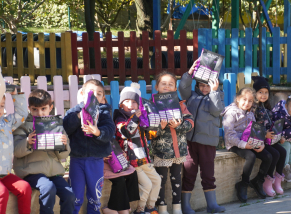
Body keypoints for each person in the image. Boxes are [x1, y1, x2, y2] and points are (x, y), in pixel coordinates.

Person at [13, 89, 74, 214]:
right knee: (48, 188)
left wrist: (63, 145)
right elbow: (16, 151)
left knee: (69, 195)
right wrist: (27, 142)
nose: (39, 113)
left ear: (50, 108)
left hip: (53, 172)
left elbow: (64, 155)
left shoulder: (56, 125)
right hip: (31, 171)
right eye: (35, 109)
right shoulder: (23, 125)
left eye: (43, 109)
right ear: (29, 108)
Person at [178, 62, 225, 214]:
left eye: (208, 85)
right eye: (202, 85)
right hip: (190, 142)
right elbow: (182, 87)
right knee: (189, 172)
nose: (205, 88)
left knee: (208, 173)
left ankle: (212, 204)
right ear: (197, 85)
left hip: (207, 143)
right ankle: (185, 206)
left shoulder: (217, 96)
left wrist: (214, 92)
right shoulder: (191, 96)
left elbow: (216, 110)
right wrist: (189, 73)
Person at [63, 79, 116, 214]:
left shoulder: (104, 113)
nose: (95, 96)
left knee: (95, 194)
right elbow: (66, 128)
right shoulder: (74, 111)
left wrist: (97, 132)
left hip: (95, 160)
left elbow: (110, 131)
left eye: (99, 94)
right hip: (77, 159)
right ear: (82, 94)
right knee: (76, 194)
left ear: (103, 98)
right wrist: (79, 116)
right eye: (91, 93)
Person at [151, 71, 194, 214]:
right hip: (161, 152)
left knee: (177, 179)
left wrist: (179, 126)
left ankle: (177, 207)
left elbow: (190, 122)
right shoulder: (152, 106)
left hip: (178, 150)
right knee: (160, 181)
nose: (167, 86)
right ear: (157, 86)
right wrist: (159, 127)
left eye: (171, 84)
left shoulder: (181, 105)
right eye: (163, 83)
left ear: (175, 88)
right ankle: (161, 207)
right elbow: (148, 130)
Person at [113, 83, 160, 214]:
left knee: (157, 180)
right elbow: (127, 132)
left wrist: (153, 125)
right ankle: (139, 210)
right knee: (147, 185)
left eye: (134, 102)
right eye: (126, 101)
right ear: (121, 104)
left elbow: (150, 135)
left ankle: (151, 207)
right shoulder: (119, 119)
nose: (130, 104)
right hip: (131, 160)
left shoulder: (141, 118)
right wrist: (135, 119)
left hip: (143, 158)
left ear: (138, 105)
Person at [221, 87, 271, 203]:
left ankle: (258, 180)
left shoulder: (250, 113)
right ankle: (243, 183)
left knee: (268, 156)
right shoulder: (231, 112)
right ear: (237, 99)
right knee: (251, 156)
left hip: (248, 142)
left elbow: (255, 131)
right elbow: (229, 135)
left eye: (250, 101)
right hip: (234, 144)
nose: (247, 103)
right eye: (244, 99)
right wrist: (244, 145)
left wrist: (261, 143)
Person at [0, 76, 31, 214]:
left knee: (24, 188)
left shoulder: (6, 123)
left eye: (1, 106)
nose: (0, 109)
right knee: (2, 193)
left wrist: (15, 95)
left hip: (4, 174)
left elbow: (22, 114)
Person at [252, 76, 286, 196]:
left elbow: (272, 125)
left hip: (269, 140)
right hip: (260, 140)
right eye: (260, 92)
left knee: (283, 152)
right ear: (254, 93)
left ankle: (277, 182)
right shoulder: (254, 109)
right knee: (274, 154)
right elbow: (253, 127)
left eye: (266, 92)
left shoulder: (267, 108)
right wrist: (264, 134)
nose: (263, 95)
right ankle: (267, 182)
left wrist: (278, 134)